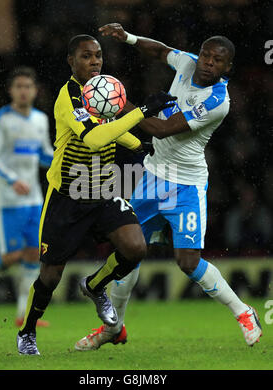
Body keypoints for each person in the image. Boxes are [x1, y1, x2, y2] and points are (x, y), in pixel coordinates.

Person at [75, 23, 262, 351]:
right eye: (205, 54)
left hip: (186, 185)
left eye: (216, 60)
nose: (207, 62)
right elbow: (161, 50)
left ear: (227, 67)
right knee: (127, 254)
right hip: (151, 177)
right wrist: (129, 38)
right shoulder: (189, 62)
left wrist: (119, 105)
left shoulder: (217, 100)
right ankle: (112, 328)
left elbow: (162, 129)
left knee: (188, 262)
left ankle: (244, 312)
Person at [16, 34, 174, 355]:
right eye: (86, 56)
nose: (95, 62)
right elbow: (94, 138)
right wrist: (143, 110)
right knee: (50, 275)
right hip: (68, 196)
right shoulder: (69, 98)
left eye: (98, 55)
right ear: (71, 62)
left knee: (135, 247)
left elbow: (114, 128)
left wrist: (138, 146)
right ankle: (28, 331)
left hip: (102, 190)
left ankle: (95, 285)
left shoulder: (102, 90)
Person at [0, 67, 54, 327]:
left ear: (35, 90)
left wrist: (62, 161)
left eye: (27, 86)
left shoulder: (41, 119)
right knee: (10, 256)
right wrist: (11, 178)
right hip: (6, 198)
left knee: (33, 254)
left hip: (33, 199)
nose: (23, 91)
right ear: (11, 91)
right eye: (18, 86)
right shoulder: (1, 119)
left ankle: (24, 313)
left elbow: (42, 155)